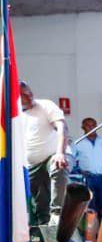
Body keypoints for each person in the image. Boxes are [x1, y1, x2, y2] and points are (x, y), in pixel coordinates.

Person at [18, 80, 68, 229]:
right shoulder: (14, 116)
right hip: (30, 165)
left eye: (29, 92)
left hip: (53, 155)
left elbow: (62, 127)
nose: (29, 96)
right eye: (23, 95)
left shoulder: (46, 105)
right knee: (39, 205)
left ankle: (57, 213)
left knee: (58, 166)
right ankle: (43, 232)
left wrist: (60, 153)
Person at [71, 116, 102, 218]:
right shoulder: (78, 143)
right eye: (88, 126)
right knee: (89, 205)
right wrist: (78, 170)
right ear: (83, 127)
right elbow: (71, 160)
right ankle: (91, 227)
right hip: (87, 178)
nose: (91, 128)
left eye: (93, 125)